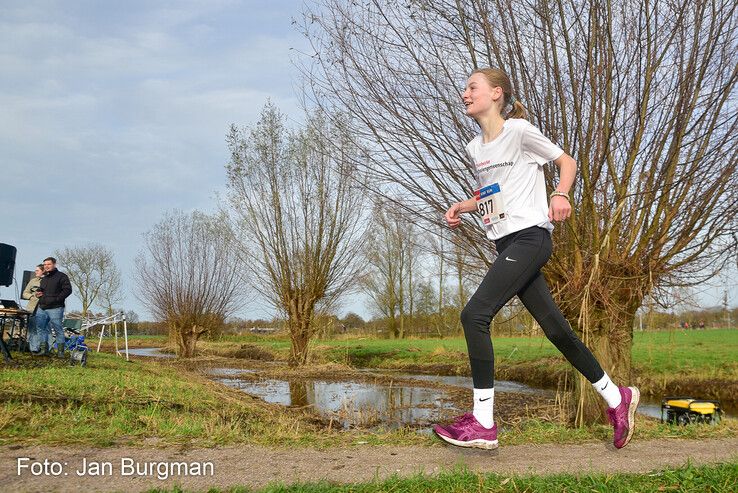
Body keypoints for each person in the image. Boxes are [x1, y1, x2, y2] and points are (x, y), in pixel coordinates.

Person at [433, 68, 639, 450]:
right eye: (464, 88)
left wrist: (561, 194)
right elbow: (493, 195)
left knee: (474, 315)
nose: (464, 93)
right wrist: (463, 205)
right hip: (505, 244)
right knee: (557, 330)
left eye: (471, 87)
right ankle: (617, 397)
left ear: (496, 93)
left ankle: (483, 423)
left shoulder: (520, 131)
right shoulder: (474, 148)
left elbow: (568, 162)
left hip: (531, 238)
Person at [34, 257, 72, 358]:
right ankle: (44, 350)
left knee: (58, 329)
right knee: (40, 328)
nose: (46, 266)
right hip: (42, 308)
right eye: (45, 264)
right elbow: (41, 290)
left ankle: (60, 352)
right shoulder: (44, 278)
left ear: (54, 264)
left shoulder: (62, 276)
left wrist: (57, 299)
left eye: (48, 264)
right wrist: (38, 293)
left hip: (55, 308)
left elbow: (68, 290)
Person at [22, 264, 45, 353]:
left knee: (43, 330)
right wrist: (32, 296)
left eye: (37, 270)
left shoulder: (49, 281)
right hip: (32, 309)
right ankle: (33, 349)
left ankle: (44, 349)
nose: (35, 272)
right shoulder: (33, 281)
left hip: (45, 309)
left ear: (43, 271)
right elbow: (25, 293)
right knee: (32, 329)